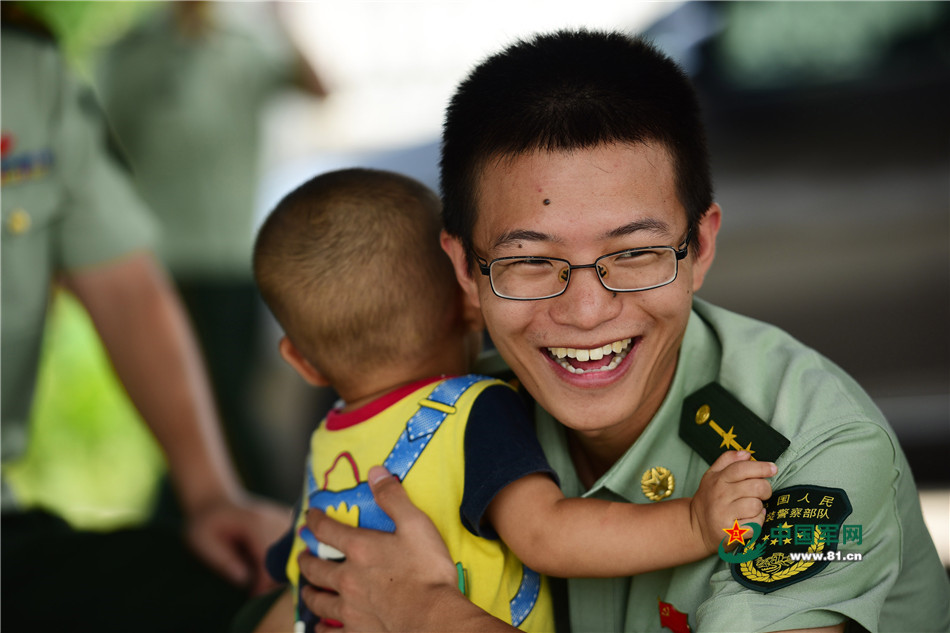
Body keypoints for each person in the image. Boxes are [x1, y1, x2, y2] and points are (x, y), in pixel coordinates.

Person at [292, 30, 950, 633]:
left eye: (635, 253)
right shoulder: (449, 420)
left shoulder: (812, 451)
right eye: (529, 261)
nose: (585, 310)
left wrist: (429, 615)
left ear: (700, 246)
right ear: (465, 268)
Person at [249, 167, 776, 632]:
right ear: (470, 298)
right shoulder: (475, 412)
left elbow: (297, 578)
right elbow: (547, 534)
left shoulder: (327, 446)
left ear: (300, 360)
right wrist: (694, 523)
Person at [1, 12, 288, 632]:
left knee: (269, 600)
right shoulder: (126, 54)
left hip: (230, 268)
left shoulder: (28, 74)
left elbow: (126, 286)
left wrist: (211, 495)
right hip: (184, 260)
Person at [96, 1, 328, 499]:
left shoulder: (247, 48)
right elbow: (100, 154)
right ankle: (241, 511)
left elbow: (320, 88)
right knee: (192, 405)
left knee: (232, 401)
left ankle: (217, 509)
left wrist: (279, 16)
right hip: (163, 264)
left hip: (233, 262)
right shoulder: (130, 53)